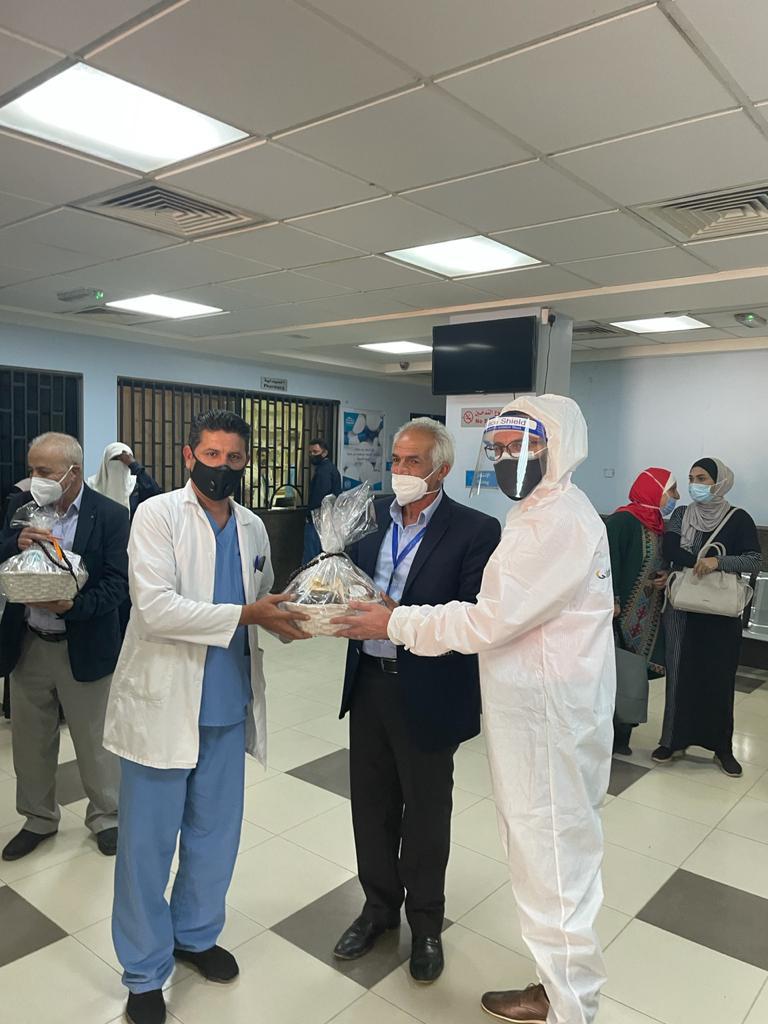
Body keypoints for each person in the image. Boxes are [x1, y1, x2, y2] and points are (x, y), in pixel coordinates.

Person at [335, 395, 615, 1024]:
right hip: (529, 709)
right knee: (544, 861)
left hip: (548, 717)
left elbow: (488, 619)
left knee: (554, 865)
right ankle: (556, 990)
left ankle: (569, 1006)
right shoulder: (536, 514)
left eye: (526, 447)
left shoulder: (556, 522)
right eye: (503, 448)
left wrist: (397, 622)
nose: (511, 459)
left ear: (559, 447)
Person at [104, 409, 309, 1024]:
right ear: (189, 456)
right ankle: (144, 972)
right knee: (146, 849)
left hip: (225, 706)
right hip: (164, 705)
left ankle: (194, 936)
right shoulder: (157, 515)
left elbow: (261, 597)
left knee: (215, 838)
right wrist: (249, 615)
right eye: (212, 455)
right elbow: (157, 608)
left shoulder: (252, 526)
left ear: (245, 462)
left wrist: (295, 620)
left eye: (234, 458)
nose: (223, 467)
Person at [332, 418, 500, 983]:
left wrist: (398, 616)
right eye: (396, 460)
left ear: (441, 470)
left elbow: (473, 615)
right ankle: (378, 909)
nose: (399, 471)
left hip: (430, 688)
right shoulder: (370, 516)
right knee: (371, 805)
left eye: (413, 462)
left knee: (426, 812)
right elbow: (345, 581)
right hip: (369, 682)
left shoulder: (476, 530)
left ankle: (426, 923)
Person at [0, 433, 128, 861]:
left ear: (72, 473)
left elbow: (118, 584)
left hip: (85, 643)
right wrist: (14, 544)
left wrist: (74, 606)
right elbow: (1, 556)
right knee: (31, 740)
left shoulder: (110, 515)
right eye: (31, 469)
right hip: (29, 643)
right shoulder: (21, 508)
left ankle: (107, 816)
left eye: (44, 471)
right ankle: (38, 818)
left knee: (94, 740)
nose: (34, 478)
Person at [654, 458, 761, 777]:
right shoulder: (681, 514)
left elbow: (754, 560)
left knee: (719, 676)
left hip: (720, 611)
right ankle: (671, 740)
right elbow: (670, 550)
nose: (694, 484)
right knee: (678, 672)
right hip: (683, 607)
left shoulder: (739, 518)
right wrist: (696, 564)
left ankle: (722, 748)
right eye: (691, 478)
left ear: (720, 482)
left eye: (702, 478)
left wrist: (718, 562)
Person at [606, 468, 679, 755]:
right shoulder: (622, 520)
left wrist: (665, 575)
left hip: (648, 614)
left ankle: (624, 733)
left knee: (634, 673)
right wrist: (612, 598)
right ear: (654, 490)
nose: (675, 496)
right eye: (671, 490)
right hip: (619, 613)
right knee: (616, 671)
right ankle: (609, 734)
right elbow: (607, 561)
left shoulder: (658, 524)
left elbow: (660, 561)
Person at [88, 442, 162, 518]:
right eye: (115, 459)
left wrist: (134, 465)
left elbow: (155, 494)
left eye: (124, 460)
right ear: (105, 462)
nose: (119, 462)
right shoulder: (92, 486)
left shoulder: (134, 487)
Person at [302, 437, 341, 563]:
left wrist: (309, 516)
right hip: (327, 521)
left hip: (318, 520)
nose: (312, 455)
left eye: (315, 452)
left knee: (311, 560)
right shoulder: (330, 468)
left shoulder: (323, 472)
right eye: (310, 452)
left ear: (324, 453)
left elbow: (320, 497)